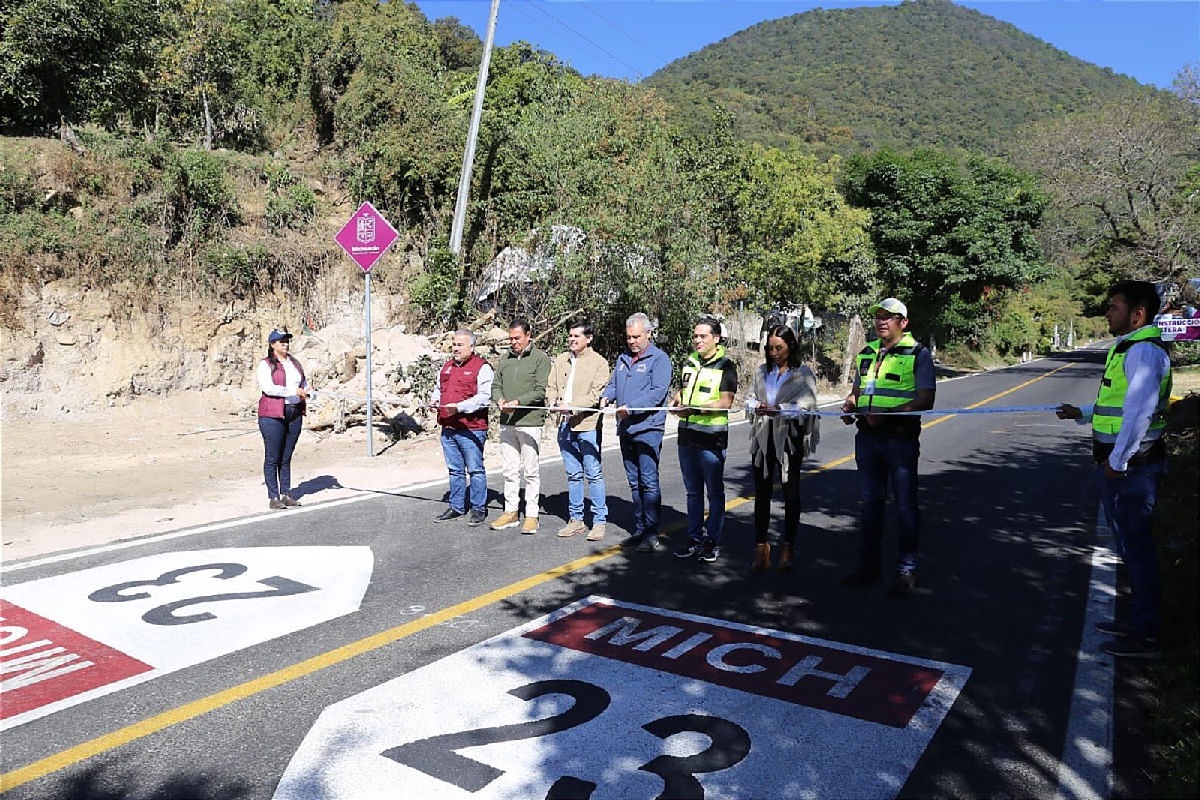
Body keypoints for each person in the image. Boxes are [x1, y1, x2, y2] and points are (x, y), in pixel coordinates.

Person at [1057, 280, 1173, 659]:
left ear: (1137, 313)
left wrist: (1117, 461)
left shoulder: (1143, 352)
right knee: (1129, 547)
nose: (1108, 313)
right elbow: (1120, 407)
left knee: (1137, 550)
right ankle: (1138, 620)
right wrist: (1083, 414)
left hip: (1132, 469)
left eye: (1115, 306)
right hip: (1124, 465)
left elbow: (1139, 414)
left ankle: (1146, 635)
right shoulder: (1129, 348)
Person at [840, 298, 936, 594]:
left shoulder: (918, 354)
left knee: (906, 505)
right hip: (867, 439)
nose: (881, 321)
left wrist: (887, 416)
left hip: (900, 440)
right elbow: (857, 392)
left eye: (889, 317)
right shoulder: (866, 353)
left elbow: (925, 398)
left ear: (903, 323)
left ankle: (906, 569)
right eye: (879, 317)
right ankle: (869, 566)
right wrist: (849, 405)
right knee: (870, 505)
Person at [746, 324, 820, 573]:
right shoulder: (761, 372)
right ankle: (761, 546)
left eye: (779, 348)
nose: (774, 352)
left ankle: (788, 546)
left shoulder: (803, 374)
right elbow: (748, 398)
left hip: (789, 439)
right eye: (770, 348)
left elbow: (807, 404)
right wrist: (756, 405)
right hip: (763, 437)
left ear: (791, 346)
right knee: (762, 493)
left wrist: (780, 409)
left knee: (791, 494)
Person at [600, 312, 672, 552]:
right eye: (629, 337)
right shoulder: (622, 359)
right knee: (634, 482)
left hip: (648, 429)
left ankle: (652, 533)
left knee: (648, 482)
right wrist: (606, 396)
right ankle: (640, 528)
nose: (632, 341)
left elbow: (658, 392)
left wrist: (631, 409)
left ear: (648, 334)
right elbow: (613, 384)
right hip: (626, 429)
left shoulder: (659, 360)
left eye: (636, 337)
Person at [670, 318, 738, 564]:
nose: (697, 340)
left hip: (711, 439)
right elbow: (683, 390)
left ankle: (713, 540)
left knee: (714, 493)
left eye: (703, 336)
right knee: (692, 492)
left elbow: (726, 402)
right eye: (695, 336)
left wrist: (694, 409)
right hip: (686, 437)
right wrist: (676, 400)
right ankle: (694, 538)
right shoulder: (689, 362)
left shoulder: (726, 366)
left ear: (716, 338)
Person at [548, 320, 612, 541]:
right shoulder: (560, 360)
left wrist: (572, 407)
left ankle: (599, 522)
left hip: (588, 426)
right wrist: (553, 402)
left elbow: (596, 395)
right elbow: (551, 387)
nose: (572, 340)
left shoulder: (600, 363)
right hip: (564, 425)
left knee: (593, 474)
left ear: (589, 338)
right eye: (570, 336)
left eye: (577, 336)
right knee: (573, 474)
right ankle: (576, 520)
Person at [490, 319, 552, 534]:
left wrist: (517, 402)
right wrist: (499, 400)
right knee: (509, 470)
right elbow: (496, 385)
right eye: (511, 338)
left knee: (531, 471)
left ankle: (532, 515)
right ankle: (511, 511)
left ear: (528, 335)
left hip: (530, 422)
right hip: (507, 422)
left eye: (517, 338)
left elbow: (540, 390)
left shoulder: (540, 359)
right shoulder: (505, 359)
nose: (513, 342)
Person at [430, 330, 493, 526]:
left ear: (472, 347)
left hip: (471, 428)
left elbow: (485, 397)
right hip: (448, 428)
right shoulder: (446, 367)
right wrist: (434, 401)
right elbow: (438, 390)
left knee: (475, 470)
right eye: (454, 344)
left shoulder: (482, 368)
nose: (455, 348)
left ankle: (478, 508)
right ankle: (456, 506)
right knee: (455, 470)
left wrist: (459, 407)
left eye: (460, 345)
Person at [256, 329, 309, 510]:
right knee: (273, 457)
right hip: (273, 415)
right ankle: (273, 496)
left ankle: (286, 493)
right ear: (272, 345)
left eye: (286, 341)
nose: (285, 344)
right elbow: (269, 388)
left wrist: (308, 393)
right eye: (281, 341)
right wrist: (292, 392)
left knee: (286, 457)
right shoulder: (266, 365)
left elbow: (303, 384)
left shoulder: (295, 363)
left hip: (294, 412)